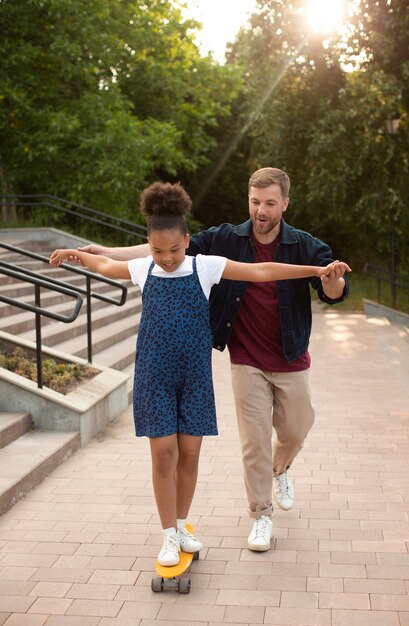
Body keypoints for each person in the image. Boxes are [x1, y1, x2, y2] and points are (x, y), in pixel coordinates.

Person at [60, 168, 351, 553]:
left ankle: (253, 485)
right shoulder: (197, 248)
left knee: (265, 437)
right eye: (254, 201)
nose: (260, 210)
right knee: (208, 449)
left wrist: (321, 273)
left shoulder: (257, 254)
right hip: (205, 366)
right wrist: (91, 252)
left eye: (268, 203)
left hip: (252, 364)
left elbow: (281, 277)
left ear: (284, 203)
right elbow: (136, 255)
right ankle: (228, 522)